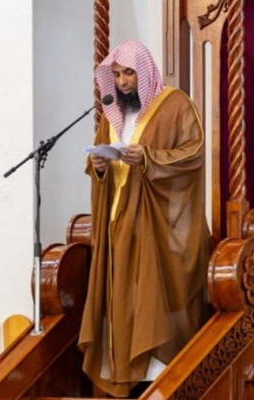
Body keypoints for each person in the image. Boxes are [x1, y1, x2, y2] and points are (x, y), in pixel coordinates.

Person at [78, 41, 211, 397]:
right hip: (118, 224)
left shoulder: (176, 105)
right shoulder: (112, 116)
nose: (122, 83)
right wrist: (99, 165)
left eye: (129, 74)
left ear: (145, 72)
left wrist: (149, 158)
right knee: (123, 303)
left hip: (158, 227)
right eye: (117, 75)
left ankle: (158, 380)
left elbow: (194, 154)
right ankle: (124, 374)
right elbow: (98, 162)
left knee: (151, 302)